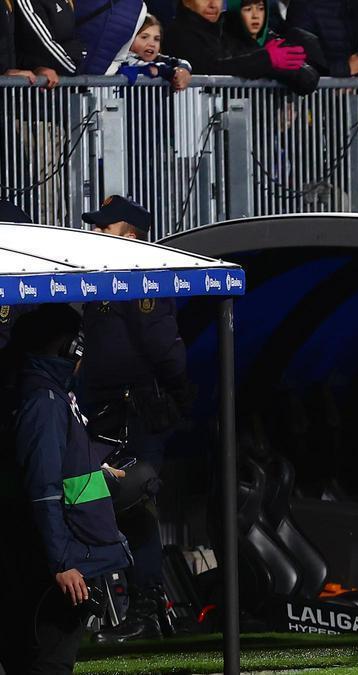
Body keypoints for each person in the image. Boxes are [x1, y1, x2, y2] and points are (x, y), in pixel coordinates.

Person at [80, 197, 190, 644]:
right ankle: (126, 606)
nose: (95, 233)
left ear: (130, 235)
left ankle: (147, 608)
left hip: (134, 414)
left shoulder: (141, 276)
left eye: (104, 227)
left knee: (136, 505)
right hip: (104, 416)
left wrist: (179, 396)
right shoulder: (104, 276)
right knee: (101, 503)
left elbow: (163, 348)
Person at [0, 304, 132, 673]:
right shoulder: (43, 401)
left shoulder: (43, 394)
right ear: (70, 347)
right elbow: (44, 490)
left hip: (44, 554)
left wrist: (95, 467)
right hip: (53, 563)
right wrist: (63, 564)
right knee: (48, 662)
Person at [163, 0, 306, 78]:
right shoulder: (178, 33)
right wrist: (265, 59)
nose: (213, 4)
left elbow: (307, 82)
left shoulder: (224, 32)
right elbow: (210, 69)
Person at [12, 0, 83, 82]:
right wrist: (77, 67)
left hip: (60, 80)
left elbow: (74, 39)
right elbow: (45, 45)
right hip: (32, 83)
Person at [118, 15, 193, 90]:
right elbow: (149, 68)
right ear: (129, 39)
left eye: (156, 39)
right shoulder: (123, 59)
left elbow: (183, 62)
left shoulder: (159, 59)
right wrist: (172, 73)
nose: (152, 44)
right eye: (144, 37)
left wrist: (183, 69)